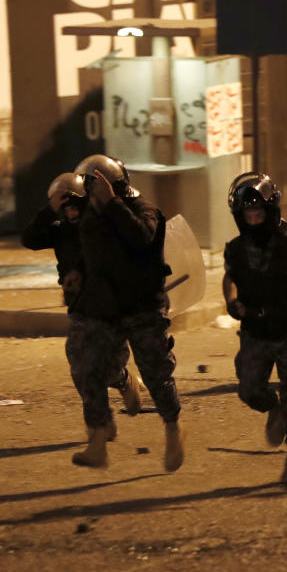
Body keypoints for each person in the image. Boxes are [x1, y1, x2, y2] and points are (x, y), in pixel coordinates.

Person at [67, 154, 184, 471]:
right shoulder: (92, 215)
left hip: (142, 307)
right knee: (89, 369)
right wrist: (78, 272)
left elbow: (142, 240)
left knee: (156, 374)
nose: (90, 196)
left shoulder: (144, 210)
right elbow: (93, 255)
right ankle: (97, 442)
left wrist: (112, 204)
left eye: (95, 188)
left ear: (111, 186)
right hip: (104, 310)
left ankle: (172, 430)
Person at [222, 173, 287, 483]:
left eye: (259, 214)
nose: (254, 221)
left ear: (271, 212)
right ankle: (273, 409)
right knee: (249, 390)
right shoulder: (235, 249)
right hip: (255, 332)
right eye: (247, 215)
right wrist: (231, 302)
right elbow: (229, 279)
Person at [20, 172, 142, 441]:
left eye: (76, 205)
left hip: (110, 308)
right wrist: (48, 210)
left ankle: (121, 379)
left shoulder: (102, 227)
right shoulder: (60, 230)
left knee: (107, 367)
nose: (71, 212)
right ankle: (102, 423)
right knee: (80, 367)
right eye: (66, 208)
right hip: (80, 308)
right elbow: (29, 239)